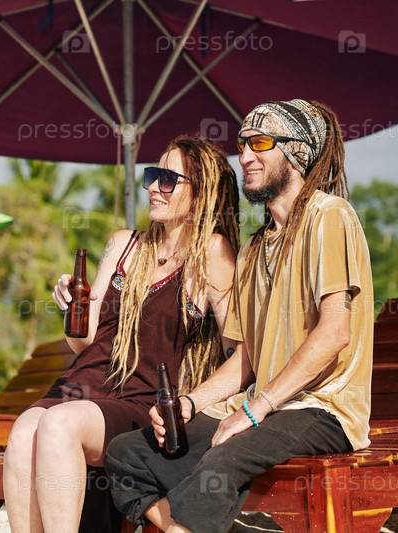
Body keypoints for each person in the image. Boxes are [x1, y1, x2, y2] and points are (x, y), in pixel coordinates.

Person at [105, 99, 374, 533]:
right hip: (261, 406)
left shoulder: (328, 215)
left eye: (260, 143)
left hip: (321, 407)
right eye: (243, 144)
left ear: (296, 152)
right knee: (128, 453)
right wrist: (192, 402)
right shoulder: (252, 248)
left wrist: (256, 409)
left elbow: (334, 332)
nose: (245, 155)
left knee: (221, 461)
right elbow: (246, 358)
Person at [2, 134, 241, 533]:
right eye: (152, 175)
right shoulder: (123, 244)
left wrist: (191, 403)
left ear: (201, 193)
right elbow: (84, 342)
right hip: (82, 384)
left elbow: (240, 358)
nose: (153, 187)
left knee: (58, 425)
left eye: (168, 179)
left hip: (141, 401)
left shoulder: (211, 254)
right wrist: (72, 309)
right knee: (24, 430)